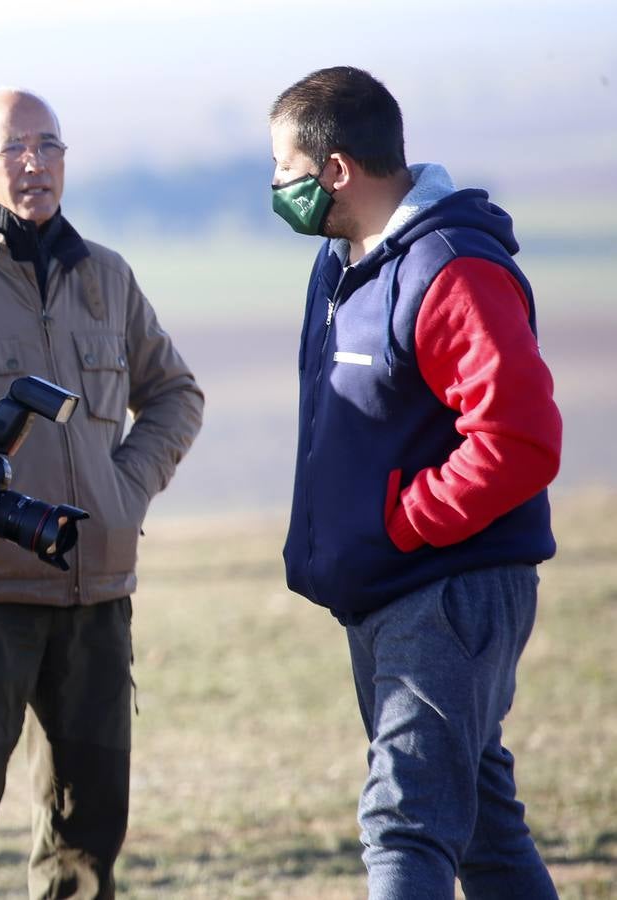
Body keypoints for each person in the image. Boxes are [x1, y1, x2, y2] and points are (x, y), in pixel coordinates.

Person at [0, 88, 205, 899]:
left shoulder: (106, 276)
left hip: (97, 599)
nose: (35, 163)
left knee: (88, 837)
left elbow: (175, 392)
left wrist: (123, 489)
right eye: (13, 149)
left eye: (50, 145)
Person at [268, 67, 562, 899]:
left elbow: (520, 441)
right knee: (486, 829)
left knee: (405, 827)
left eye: (284, 169)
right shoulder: (341, 264)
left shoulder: (452, 270)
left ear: (336, 171)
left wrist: (403, 523)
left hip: (444, 589)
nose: (276, 188)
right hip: (386, 588)